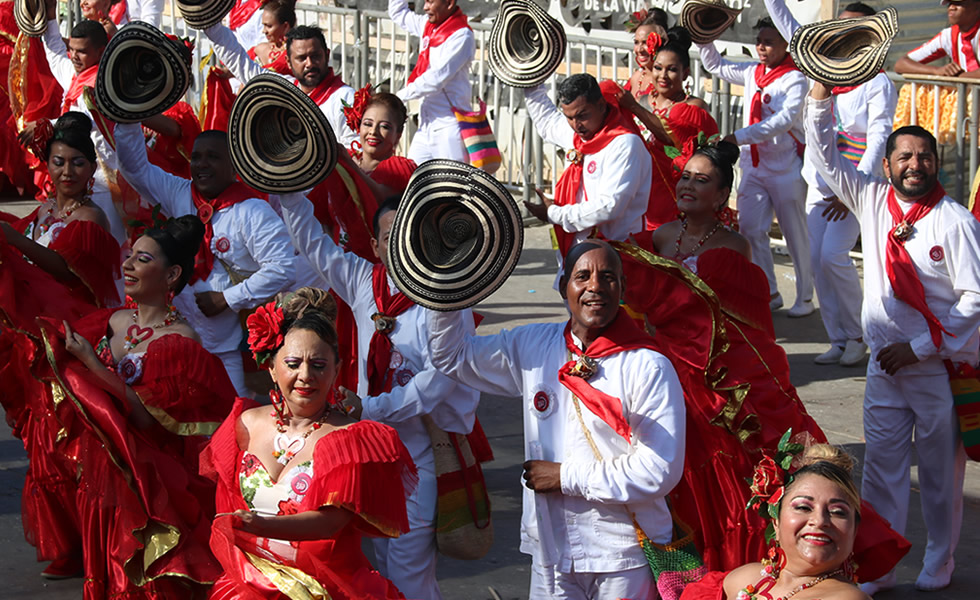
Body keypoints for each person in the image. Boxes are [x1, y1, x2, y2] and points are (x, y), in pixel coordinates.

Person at [428, 240, 686, 599]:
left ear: (623, 289)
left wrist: (564, 476)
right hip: (550, 552)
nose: (595, 286)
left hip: (623, 555)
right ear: (564, 285)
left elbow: (659, 469)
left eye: (608, 277)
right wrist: (445, 282)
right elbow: (452, 356)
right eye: (583, 276)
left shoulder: (648, 365)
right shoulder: (534, 345)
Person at [807, 81, 980, 594]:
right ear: (887, 165)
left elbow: (975, 298)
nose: (914, 164)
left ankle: (940, 561)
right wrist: (819, 98)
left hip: (935, 371)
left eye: (924, 156)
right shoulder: (873, 198)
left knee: (937, 477)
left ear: (936, 164)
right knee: (881, 473)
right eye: (904, 155)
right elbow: (825, 158)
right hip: (883, 369)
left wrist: (922, 348)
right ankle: (878, 566)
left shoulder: (956, 221)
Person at [279, 191, 480, 600]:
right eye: (389, 237)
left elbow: (439, 380)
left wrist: (370, 408)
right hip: (371, 452)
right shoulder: (362, 281)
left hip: (420, 452)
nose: (400, 245)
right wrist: (286, 185)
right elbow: (312, 241)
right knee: (381, 567)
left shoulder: (445, 299)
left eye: (409, 235)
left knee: (409, 573)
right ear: (374, 246)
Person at [40, 216, 237, 597]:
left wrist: (94, 366)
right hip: (102, 476)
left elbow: (147, 418)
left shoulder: (181, 342)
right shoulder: (109, 320)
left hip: (147, 483)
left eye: (143, 259)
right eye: (129, 256)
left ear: (172, 274)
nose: (128, 265)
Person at [201, 288, 418, 599]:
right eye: (292, 363)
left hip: (326, 588)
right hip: (247, 583)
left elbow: (331, 523)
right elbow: (225, 501)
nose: (305, 376)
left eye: (318, 365)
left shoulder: (351, 439)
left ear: (336, 371)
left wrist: (259, 526)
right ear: (272, 368)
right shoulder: (244, 423)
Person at [0, 112, 120, 580]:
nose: (66, 172)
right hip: (33, 342)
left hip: (69, 341)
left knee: (68, 441)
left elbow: (67, 272)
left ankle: (87, 543)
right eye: (58, 162)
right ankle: (68, 540)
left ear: (92, 171)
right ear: (46, 165)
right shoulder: (43, 212)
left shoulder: (90, 219)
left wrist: (12, 239)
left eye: (76, 164)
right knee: (41, 442)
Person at [113, 121, 299, 396]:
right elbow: (136, 170)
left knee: (227, 424)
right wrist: (127, 119)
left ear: (234, 166)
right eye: (197, 157)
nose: (202, 164)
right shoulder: (179, 191)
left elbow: (284, 268)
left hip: (223, 351)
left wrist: (229, 298)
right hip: (172, 342)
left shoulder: (253, 211)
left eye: (213, 157)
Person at [763, 0, 897, 367]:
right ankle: (837, 339)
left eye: (852, 28)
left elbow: (879, 137)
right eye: (837, 26)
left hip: (853, 186)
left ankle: (858, 335)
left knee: (834, 257)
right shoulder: (823, 65)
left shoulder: (878, 81)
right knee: (817, 263)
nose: (841, 34)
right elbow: (789, 27)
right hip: (820, 183)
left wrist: (852, 187)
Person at [697, 18, 812, 317]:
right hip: (754, 167)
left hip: (785, 168)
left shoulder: (796, 79)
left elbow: (782, 122)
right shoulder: (752, 72)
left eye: (769, 41)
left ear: (786, 44)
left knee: (794, 233)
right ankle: (770, 291)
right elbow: (715, 65)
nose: (761, 47)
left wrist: (739, 136)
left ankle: (806, 296)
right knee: (750, 229)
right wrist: (703, 34)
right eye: (759, 40)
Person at [680, 444, 869, 600]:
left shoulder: (846, 597)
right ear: (776, 522)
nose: (819, 521)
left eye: (837, 512)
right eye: (803, 507)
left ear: (854, 530)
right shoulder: (742, 579)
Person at [523, 73, 652, 264]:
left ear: (601, 105)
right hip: (577, 249)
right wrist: (528, 75)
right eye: (569, 117)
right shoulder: (578, 133)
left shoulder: (625, 144)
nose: (576, 125)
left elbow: (610, 206)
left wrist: (554, 214)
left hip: (616, 255)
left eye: (582, 115)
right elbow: (547, 121)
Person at [34, 12, 127, 244]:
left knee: (107, 246)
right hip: (78, 176)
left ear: (101, 52)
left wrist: (47, 124)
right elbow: (55, 53)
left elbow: (83, 122)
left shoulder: (103, 84)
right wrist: (49, 16)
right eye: (73, 49)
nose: (74, 56)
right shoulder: (78, 75)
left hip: (105, 179)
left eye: (82, 51)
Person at [619, 26, 718, 229]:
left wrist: (633, 108)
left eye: (672, 69)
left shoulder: (694, 107)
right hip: (640, 191)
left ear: (685, 73)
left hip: (676, 195)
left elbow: (668, 135)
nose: (663, 75)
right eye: (658, 68)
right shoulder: (643, 101)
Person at [203, 21, 358, 146]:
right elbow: (241, 63)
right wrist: (208, 22)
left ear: (327, 55)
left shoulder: (346, 98)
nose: (309, 64)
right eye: (301, 58)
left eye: (315, 56)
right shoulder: (283, 87)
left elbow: (354, 154)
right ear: (288, 63)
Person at [387, 0, 474, 163]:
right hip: (426, 124)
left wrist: (399, 96)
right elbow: (398, 13)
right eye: (425, 1)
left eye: (431, 2)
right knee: (412, 181)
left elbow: (436, 78)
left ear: (449, 3)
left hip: (449, 126)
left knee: (451, 185)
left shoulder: (462, 36)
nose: (425, 7)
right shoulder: (428, 26)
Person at [651, 142, 749, 262]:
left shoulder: (734, 246)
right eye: (685, 177)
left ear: (722, 195)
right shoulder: (662, 235)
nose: (688, 186)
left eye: (701, 180)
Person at [896, 0, 980, 79]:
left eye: (958, 3)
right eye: (949, 3)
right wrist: (937, 71)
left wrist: (958, 78)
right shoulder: (949, 35)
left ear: (977, 5)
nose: (951, 7)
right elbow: (901, 64)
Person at [248, 0, 294, 75]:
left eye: (269, 26)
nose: (264, 31)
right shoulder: (260, 48)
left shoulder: (295, 53)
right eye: (264, 25)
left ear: (285, 26)